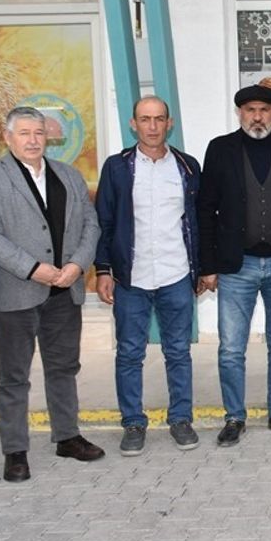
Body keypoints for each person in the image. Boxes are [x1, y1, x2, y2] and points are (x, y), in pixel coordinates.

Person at [0, 107, 103, 481]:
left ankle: (67, 437)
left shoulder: (68, 174)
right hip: (16, 291)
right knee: (14, 375)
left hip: (65, 289)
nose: (33, 140)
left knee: (64, 368)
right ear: (7, 137)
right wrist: (33, 269)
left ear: (48, 136)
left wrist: (77, 265)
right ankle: (15, 451)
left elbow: (91, 225)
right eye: (24, 133)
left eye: (39, 133)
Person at [198, 85, 271, 446]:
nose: (257, 116)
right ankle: (234, 417)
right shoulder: (220, 149)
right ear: (240, 113)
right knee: (231, 348)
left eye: (264, 110)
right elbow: (205, 209)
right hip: (237, 266)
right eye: (250, 110)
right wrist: (208, 265)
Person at [94, 96, 203, 456]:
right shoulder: (117, 167)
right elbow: (104, 221)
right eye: (145, 119)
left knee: (178, 351)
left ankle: (181, 419)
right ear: (133, 124)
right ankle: (133, 423)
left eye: (159, 119)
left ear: (169, 123)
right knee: (129, 353)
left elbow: (198, 220)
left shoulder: (187, 166)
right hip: (131, 277)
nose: (152, 126)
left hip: (176, 273)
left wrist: (203, 268)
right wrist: (103, 269)